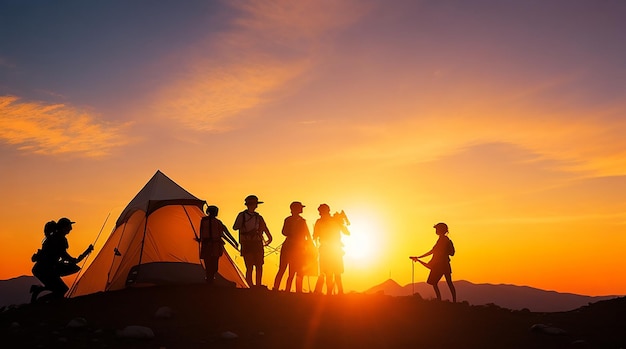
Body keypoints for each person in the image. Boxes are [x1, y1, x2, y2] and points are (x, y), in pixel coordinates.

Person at [30, 218, 93, 302]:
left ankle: (39, 292)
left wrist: (85, 253)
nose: (71, 228)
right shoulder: (60, 240)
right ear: (63, 227)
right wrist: (85, 253)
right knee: (61, 290)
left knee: (57, 288)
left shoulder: (53, 238)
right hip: (45, 270)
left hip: (41, 269)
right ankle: (40, 302)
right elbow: (67, 257)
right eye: (69, 226)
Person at [233, 195, 273, 288]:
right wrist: (269, 239)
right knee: (251, 266)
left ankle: (256, 285)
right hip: (248, 243)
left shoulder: (258, 217)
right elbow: (235, 227)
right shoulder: (243, 216)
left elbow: (265, 228)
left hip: (255, 243)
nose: (255, 206)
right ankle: (250, 285)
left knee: (258, 265)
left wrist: (269, 238)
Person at [410, 222, 457, 302]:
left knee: (435, 283)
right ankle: (452, 301)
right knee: (448, 282)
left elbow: (432, 251)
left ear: (441, 230)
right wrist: (418, 258)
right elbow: (434, 251)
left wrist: (419, 257)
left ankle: (441, 300)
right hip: (445, 264)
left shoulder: (442, 240)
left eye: (437, 229)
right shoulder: (444, 239)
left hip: (440, 265)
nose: (436, 230)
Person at [273, 201, 312, 293]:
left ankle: (282, 290)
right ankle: (287, 290)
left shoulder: (294, 220)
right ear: (295, 209)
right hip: (295, 247)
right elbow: (307, 235)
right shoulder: (298, 221)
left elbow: (284, 232)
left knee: (290, 270)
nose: (302, 209)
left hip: (292, 246)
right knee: (287, 269)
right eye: (300, 207)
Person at [312, 204, 350, 295]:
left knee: (329, 272)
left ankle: (331, 293)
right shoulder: (335, 220)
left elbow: (315, 235)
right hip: (334, 249)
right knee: (336, 273)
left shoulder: (320, 221)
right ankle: (339, 293)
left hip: (327, 249)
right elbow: (347, 233)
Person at [198, 205, 238, 285]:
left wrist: (234, 242)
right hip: (212, 245)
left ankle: (210, 278)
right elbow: (225, 233)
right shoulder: (210, 221)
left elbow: (225, 233)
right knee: (211, 263)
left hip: (212, 245)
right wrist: (234, 242)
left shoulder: (210, 221)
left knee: (211, 263)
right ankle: (210, 279)